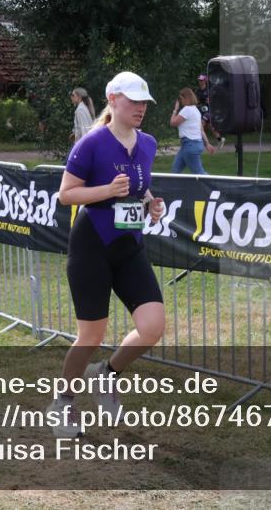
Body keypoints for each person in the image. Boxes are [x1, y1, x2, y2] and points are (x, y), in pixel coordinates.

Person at [47, 71, 166, 436]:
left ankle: (106, 375)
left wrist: (151, 204)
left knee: (152, 327)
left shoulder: (147, 143)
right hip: (91, 247)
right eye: (133, 101)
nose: (141, 108)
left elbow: (140, 187)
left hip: (129, 245)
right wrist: (106, 190)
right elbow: (66, 194)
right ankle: (63, 403)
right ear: (113, 100)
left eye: (145, 102)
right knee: (90, 337)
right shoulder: (92, 143)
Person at [170, 87, 216, 174]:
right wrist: (207, 144)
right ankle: (175, 187)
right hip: (190, 145)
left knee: (199, 172)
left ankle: (214, 187)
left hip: (190, 145)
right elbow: (201, 130)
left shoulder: (186, 110)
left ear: (186, 98)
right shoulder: (196, 110)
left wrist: (175, 110)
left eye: (181, 98)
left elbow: (173, 123)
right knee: (175, 171)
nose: (180, 101)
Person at [195, 74, 223, 146]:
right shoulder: (197, 91)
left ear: (205, 81)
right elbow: (196, 101)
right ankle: (220, 139)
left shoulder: (209, 90)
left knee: (200, 125)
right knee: (210, 126)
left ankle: (200, 143)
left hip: (209, 111)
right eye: (199, 80)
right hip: (201, 111)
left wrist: (211, 101)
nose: (200, 81)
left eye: (201, 80)